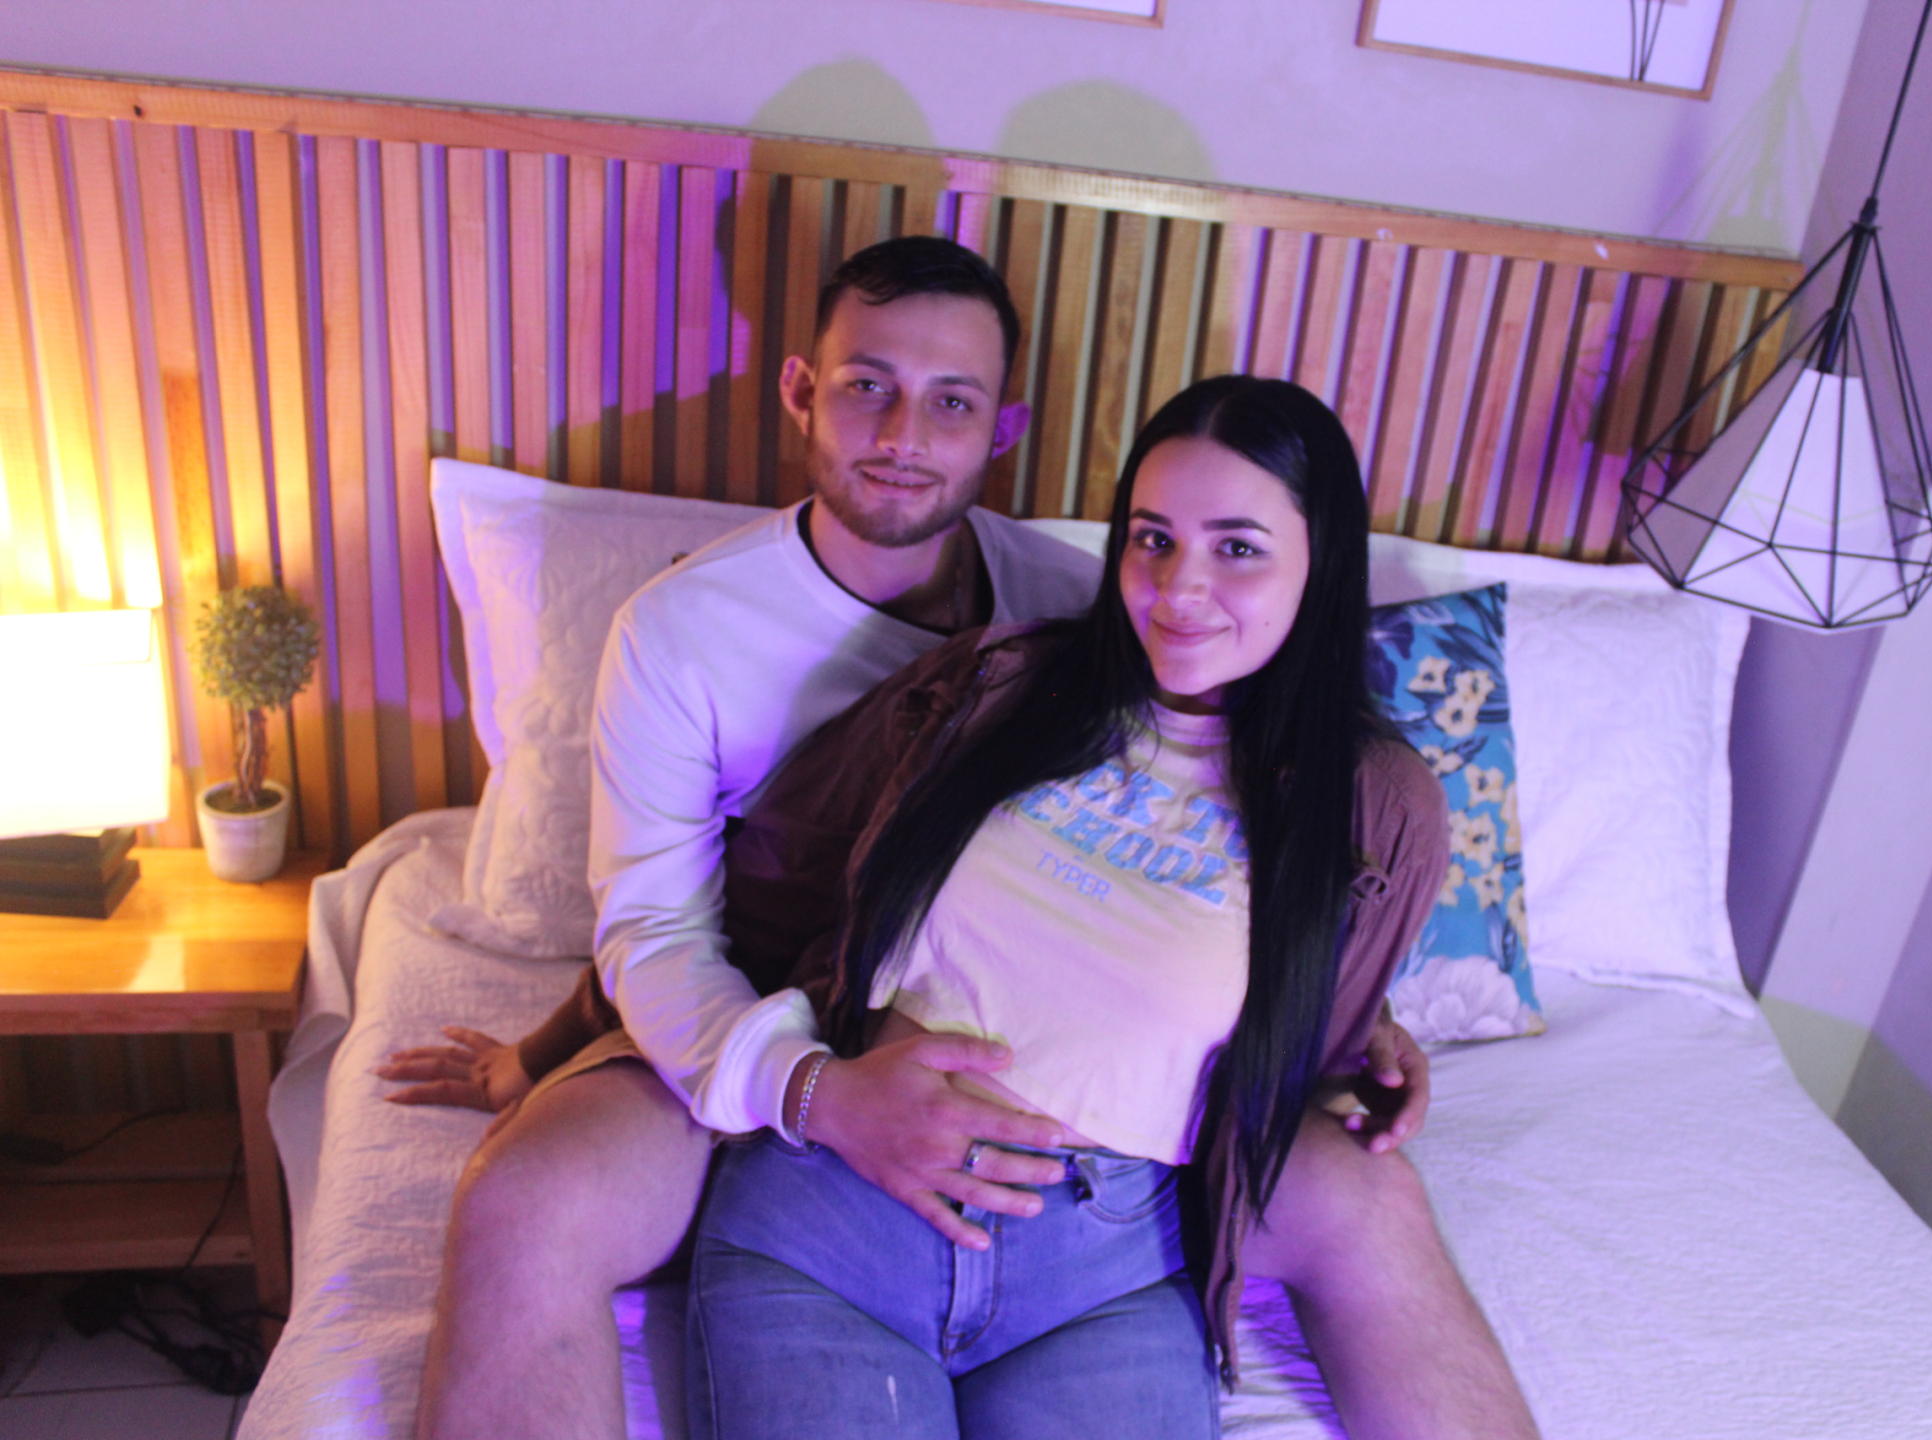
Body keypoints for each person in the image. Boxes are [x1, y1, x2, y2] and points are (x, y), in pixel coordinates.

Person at [381, 238, 1536, 1440]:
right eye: (867, 385)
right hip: (778, 1039)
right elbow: (678, 923)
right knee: (526, 1195)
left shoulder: (1072, 603)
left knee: (1372, 1194)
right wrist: (784, 1084)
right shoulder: (709, 633)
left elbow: (1262, 927)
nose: (903, 433)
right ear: (801, 391)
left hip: (1093, 1222)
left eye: (951, 401)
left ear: (1002, 426)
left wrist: (1338, 1017)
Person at [684, 374, 1449, 1438]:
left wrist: (1373, 1031)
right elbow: (772, 872)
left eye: (1237, 548)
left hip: (1106, 1277)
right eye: (1151, 539)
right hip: (839, 1220)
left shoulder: (1374, 806)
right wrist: (576, 1040)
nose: (1178, 588)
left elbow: (1302, 1038)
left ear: (1320, 564)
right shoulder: (997, 686)